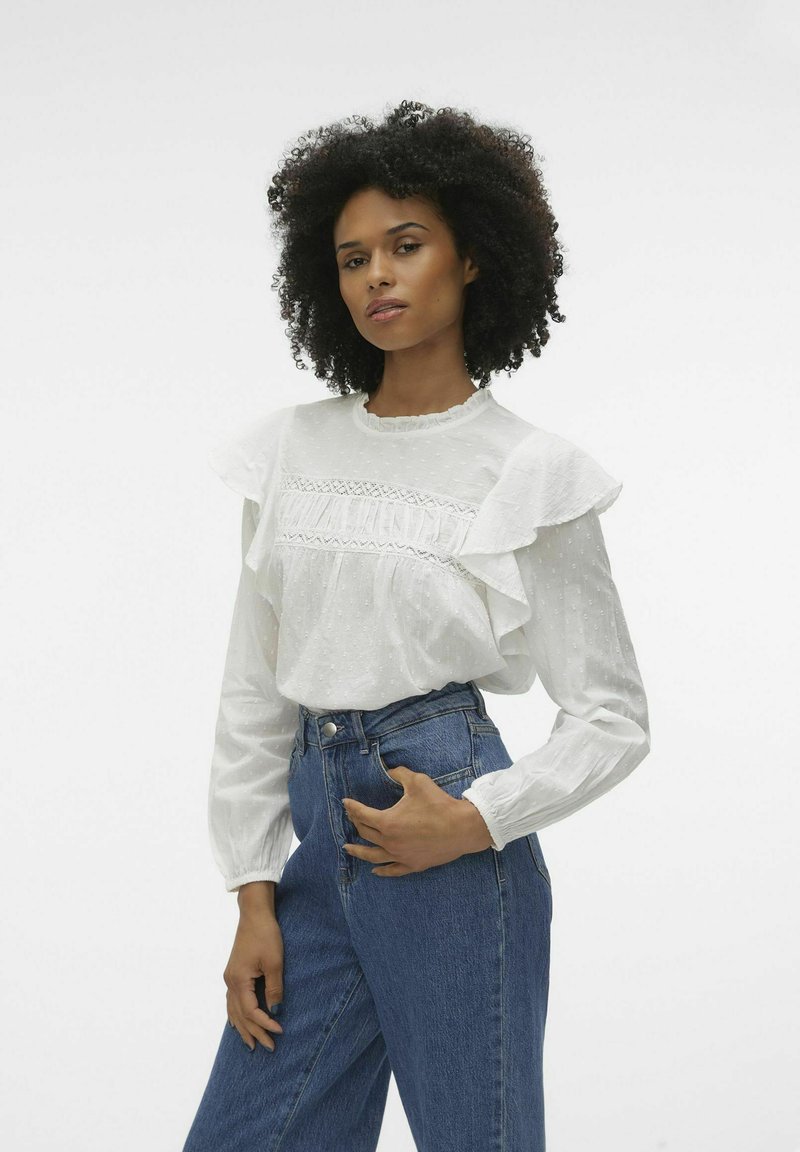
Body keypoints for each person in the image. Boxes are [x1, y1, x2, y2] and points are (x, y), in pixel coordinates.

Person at [182, 99, 650, 1152]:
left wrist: (479, 819)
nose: (376, 278)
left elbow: (612, 716)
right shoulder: (288, 451)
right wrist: (253, 894)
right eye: (353, 259)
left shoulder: (530, 471)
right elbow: (253, 689)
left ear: (473, 257)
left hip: (447, 824)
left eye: (405, 246)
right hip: (315, 845)